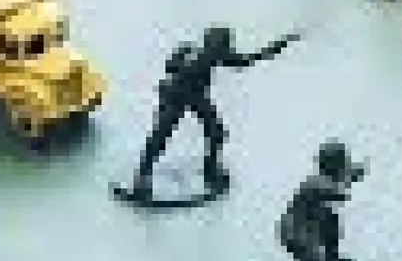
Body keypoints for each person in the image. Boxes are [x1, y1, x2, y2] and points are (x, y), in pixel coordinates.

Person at [124, 27, 298, 200]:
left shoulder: (202, 52)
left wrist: (281, 44)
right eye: (225, 46)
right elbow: (171, 68)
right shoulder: (200, 53)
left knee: (215, 132)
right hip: (176, 95)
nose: (227, 50)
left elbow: (247, 60)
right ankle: (143, 175)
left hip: (193, 95)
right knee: (162, 134)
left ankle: (209, 167)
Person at [277, 141, 366, 261]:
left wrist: (351, 175)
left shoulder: (324, 181)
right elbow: (339, 194)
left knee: (330, 224)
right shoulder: (317, 182)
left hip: (305, 232)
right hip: (297, 234)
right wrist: (350, 177)